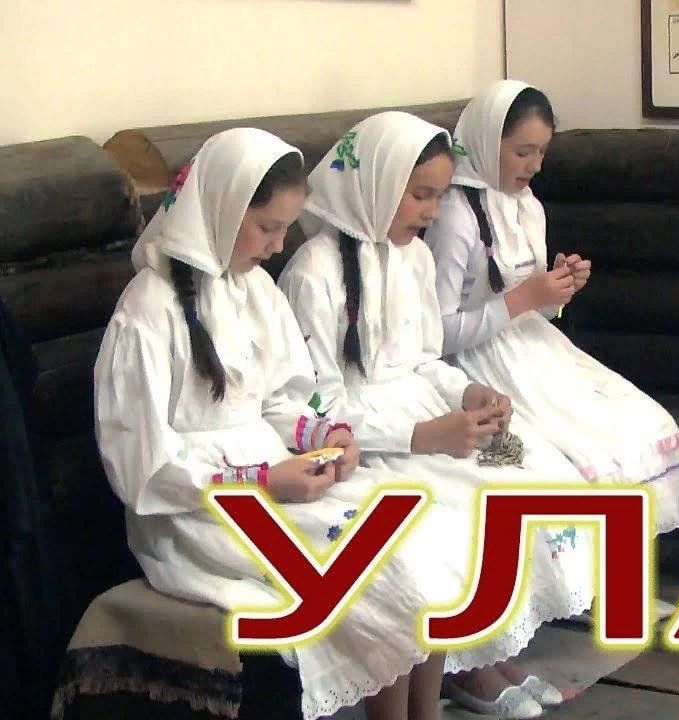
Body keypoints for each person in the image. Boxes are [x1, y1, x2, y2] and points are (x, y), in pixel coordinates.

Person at [94, 127, 547, 720]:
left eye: (284, 228)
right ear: (222, 210)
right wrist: (262, 480)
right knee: (382, 565)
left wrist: (325, 436)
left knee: (428, 530)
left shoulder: (252, 288)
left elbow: (282, 397)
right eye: (268, 228)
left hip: (274, 478)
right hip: (194, 512)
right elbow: (143, 472)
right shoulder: (147, 313)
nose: (278, 245)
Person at [279, 111, 596, 719]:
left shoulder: (413, 258)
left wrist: (470, 392)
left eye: (438, 196)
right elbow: (313, 405)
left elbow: (425, 359)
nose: (431, 212)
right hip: (366, 440)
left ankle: (483, 656)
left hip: (422, 412)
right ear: (375, 185)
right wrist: (421, 436)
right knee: (457, 519)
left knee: (534, 470)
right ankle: (464, 670)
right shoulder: (313, 272)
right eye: (420, 196)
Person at [422, 80, 679, 537]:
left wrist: (557, 290)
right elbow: (435, 335)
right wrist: (525, 298)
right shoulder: (454, 215)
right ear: (486, 141)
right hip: (477, 366)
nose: (535, 165)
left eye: (542, 152)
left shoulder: (527, 206)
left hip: (537, 349)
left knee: (644, 422)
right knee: (578, 449)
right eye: (522, 152)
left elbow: (532, 307)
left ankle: (634, 553)